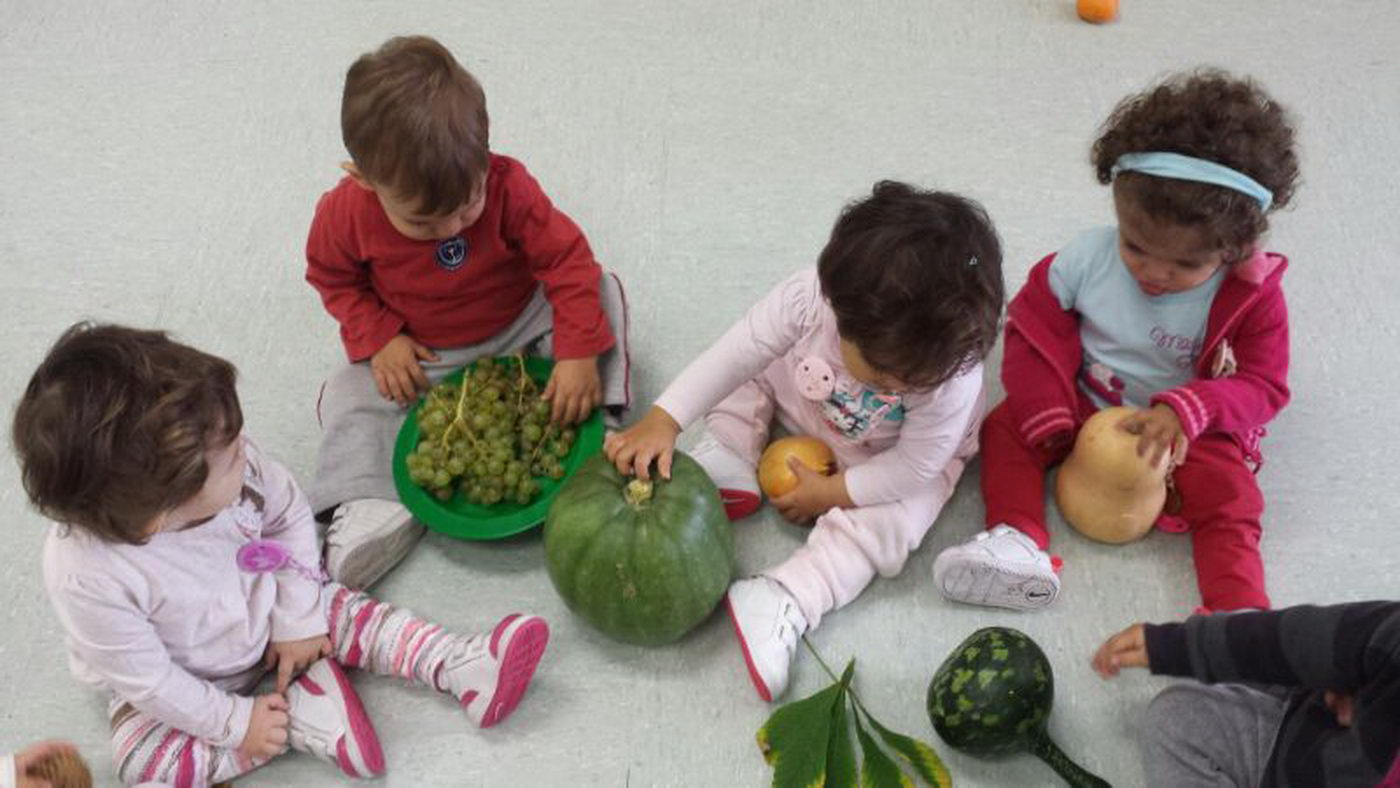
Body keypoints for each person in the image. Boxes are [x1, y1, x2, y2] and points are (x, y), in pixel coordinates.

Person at [12, 324, 550, 786]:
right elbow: (152, 683)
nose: (246, 450)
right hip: (187, 682)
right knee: (139, 762)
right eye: (229, 458)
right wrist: (236, 722)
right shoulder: (86, 577)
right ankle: (302, 719)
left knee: (349, 609)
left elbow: (289, 514)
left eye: (237, 437)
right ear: (157, 517)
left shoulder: (224, 449)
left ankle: (460, 664)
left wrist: (296, 617)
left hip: (267, 601)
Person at [605, 181, 1004, 700]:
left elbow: (913, 468)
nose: (896, 387)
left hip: (887, 459)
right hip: (806, 395)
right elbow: (733, 354)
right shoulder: (809, 299)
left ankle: (786, 595)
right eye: (882, 372)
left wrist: (834, 494)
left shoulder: (953, 378)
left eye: (911, 382)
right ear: (839, 307)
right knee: (753, 367)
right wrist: (666, 418)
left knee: (902, 517)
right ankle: (728, 450)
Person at [935, 69, 1299, 613]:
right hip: (1083, 394)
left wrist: (1189, 410)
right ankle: (1016, 540)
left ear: (1234, 247)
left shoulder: (1252, 297)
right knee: (1006, 429)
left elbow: (1263, 386)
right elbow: (1034, 329)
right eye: (1135, 245)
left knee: (1232, 496)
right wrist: (1047, 405)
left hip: (1181, 428)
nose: (1154, 272)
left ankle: (1236, 611)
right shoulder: (1084, 259)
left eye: (1186, 263)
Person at [306, 35, 631, 588]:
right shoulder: (342, 215)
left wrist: (577, 355)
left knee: (601, 295)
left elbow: (568, 263)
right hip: (425, 351)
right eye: (424, 224)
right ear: (363, 180)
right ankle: (369, 502)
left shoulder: (511, 188)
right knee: (348, 393)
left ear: (485, 157)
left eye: (467, 207)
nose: (452, 230)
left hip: (521, 325)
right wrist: (381, 338)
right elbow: (333, 279)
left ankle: (602, 426)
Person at [1093, 603, 1400, 787]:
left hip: (1290, 771)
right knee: (1247, 627)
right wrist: (1174, 646)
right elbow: (1299, 639)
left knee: (1172, 719)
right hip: (1310, 723)